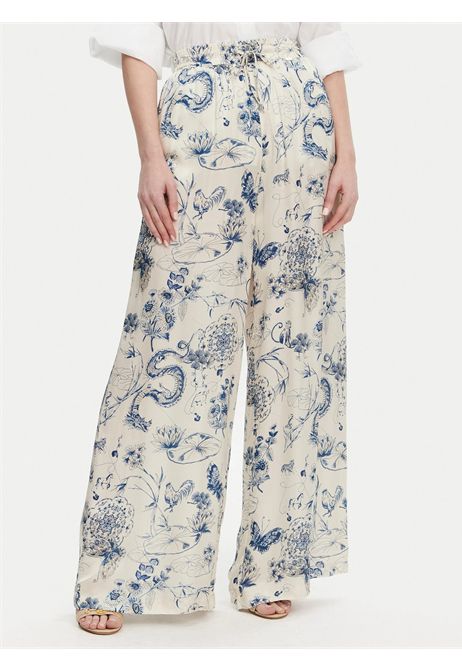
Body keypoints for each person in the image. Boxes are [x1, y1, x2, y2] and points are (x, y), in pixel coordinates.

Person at [74, 22, 360, 634]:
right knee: (171, 342)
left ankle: (271, 565)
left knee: (294, 347)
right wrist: (151, 157)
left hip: (300, 128)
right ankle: (119, 571)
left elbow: (323, 37)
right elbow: (137, 40)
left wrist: (348, 153)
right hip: (201, 128)